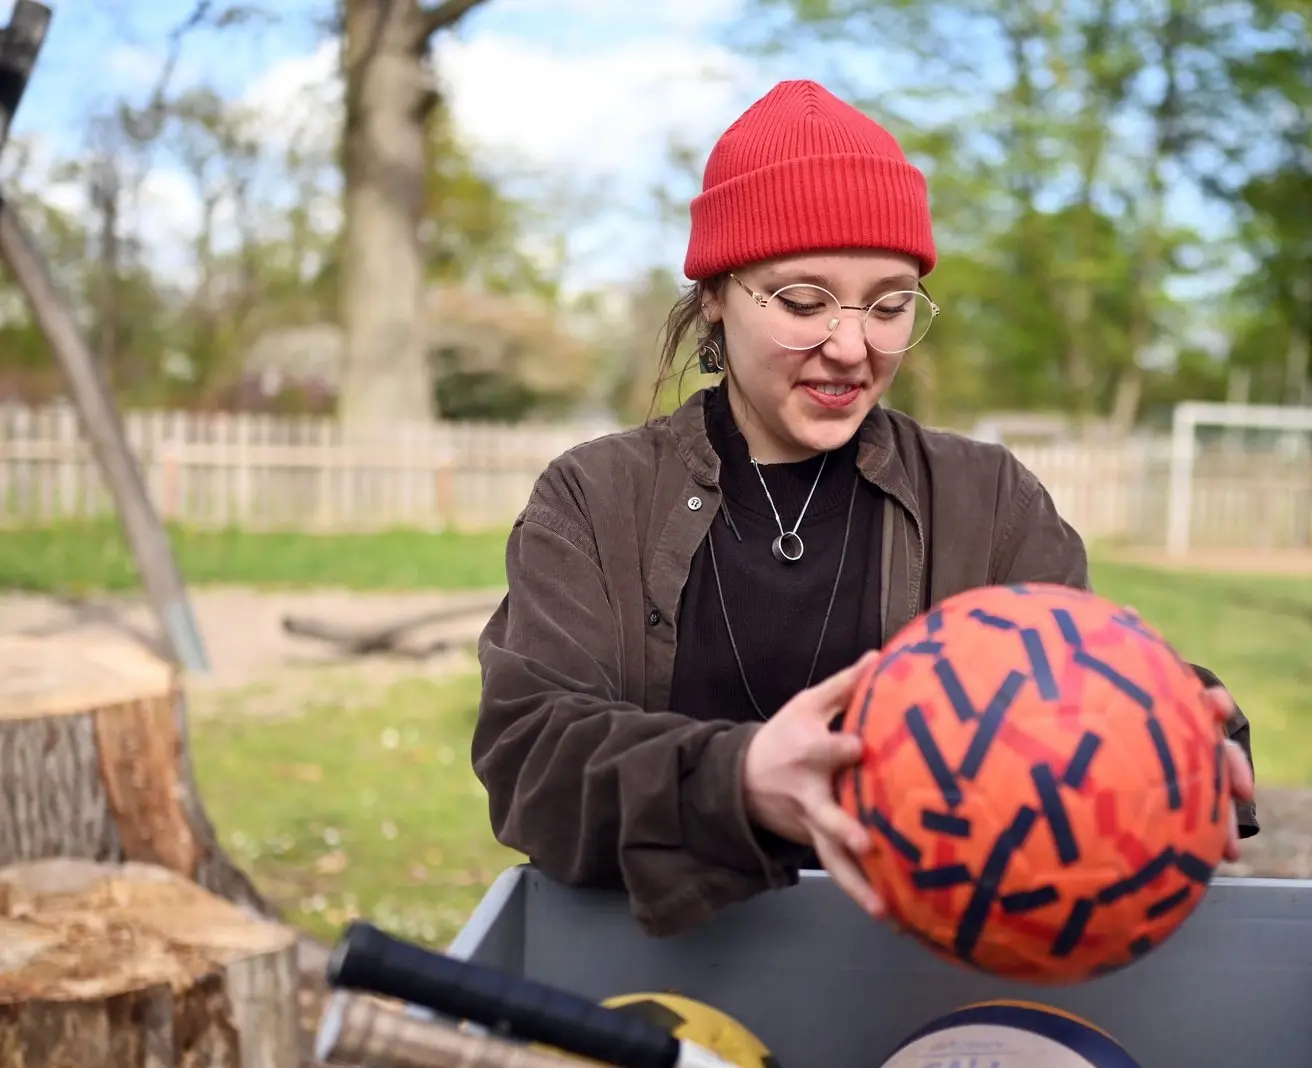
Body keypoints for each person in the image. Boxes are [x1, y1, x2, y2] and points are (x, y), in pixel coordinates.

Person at [471, 79, 1258, 939]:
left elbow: (1072, 690)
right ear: (714, 297)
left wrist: (1170, 728)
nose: (851, 347)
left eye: (889, 307)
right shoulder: (595, 497)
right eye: (804, 302)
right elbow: (533, 758)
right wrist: (733, 779)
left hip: (918, 971)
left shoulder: (986, 500)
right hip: (654, 967)